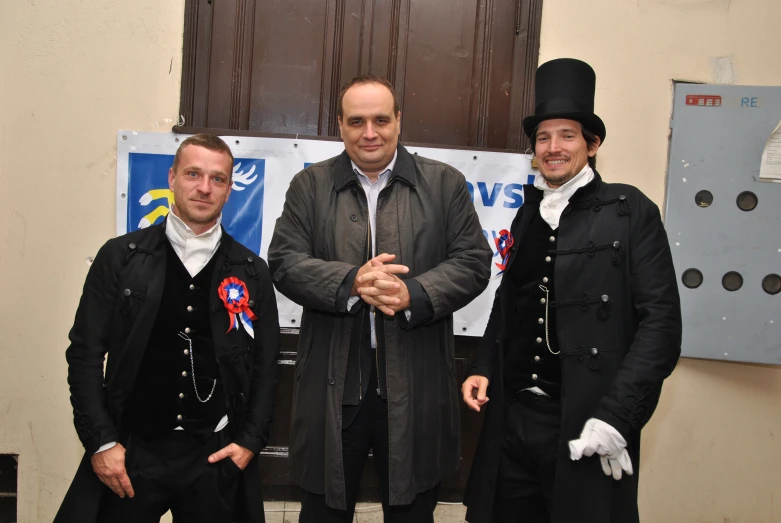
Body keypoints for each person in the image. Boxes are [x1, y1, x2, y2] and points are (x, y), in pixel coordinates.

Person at [461, 58, 682, 523]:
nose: (553, 147)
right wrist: (483, 365)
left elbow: (661, 325)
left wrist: (617, 417)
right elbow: (509, 299)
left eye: (567, 135)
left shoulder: (630, 210)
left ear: (593, 144)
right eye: (543, 137)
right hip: (513, 420)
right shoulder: (529, 211)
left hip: (587, 420)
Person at [268, 75, 492, 523]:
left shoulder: (445, 183)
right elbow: (284, 261)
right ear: (340, 125)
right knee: (322, 511)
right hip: (333, 386)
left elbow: (474, 262)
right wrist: (352, 281)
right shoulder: (308, 186)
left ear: (398, 121)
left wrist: (415, 292)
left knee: (411, 511)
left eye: (380, 120)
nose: (370, 132)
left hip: (417, 384)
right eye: (357, 121)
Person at [55, 133, 280, 523]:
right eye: (193, 174)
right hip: (131, 454)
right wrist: (101, 442)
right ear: (172, 177)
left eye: (218, 179)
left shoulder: (251, 272)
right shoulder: (120, 258)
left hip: (214, 456)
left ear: (229, 191)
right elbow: (85, 354)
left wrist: (249, 442)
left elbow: (265, 365)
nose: (204, 188)